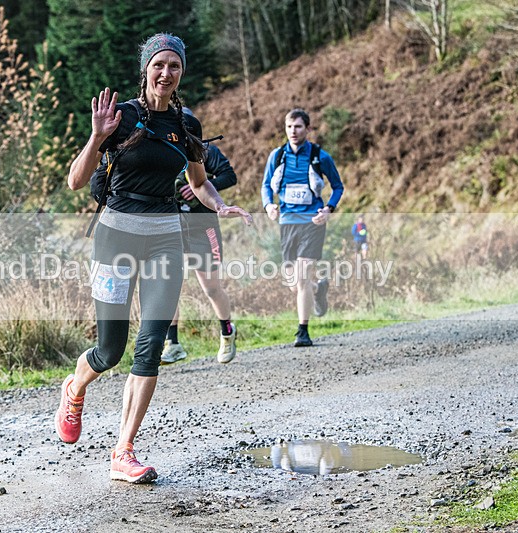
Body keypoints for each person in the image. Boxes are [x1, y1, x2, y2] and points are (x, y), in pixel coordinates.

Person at [58, 33, 252, 484]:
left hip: (166, 240)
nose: (166, 73)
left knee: (150, 348)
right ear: (145, 69)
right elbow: (75, 181)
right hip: (115, 240)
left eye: (174, 65)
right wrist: (97, 136)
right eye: (159, 65)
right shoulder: (120, 117)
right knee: (110, 350)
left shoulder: (187, 124)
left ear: (182, 71)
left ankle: (123, 451)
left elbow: (199, 181)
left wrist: (220, 205)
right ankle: (75, 386)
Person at [261, 108, 344, 347]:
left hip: (312, 222)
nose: (293, 131)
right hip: (287, 223)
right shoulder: (277, 156)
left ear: (308, 129)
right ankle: (318, 290)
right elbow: (266, 185)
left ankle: (303, 331)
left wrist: (328, 209)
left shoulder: (320, 156)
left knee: (303, 275)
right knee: (293, 284)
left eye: (298, 126)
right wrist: (269, 205)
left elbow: (338, 187)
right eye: (289, 127)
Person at [162, 111, 238, 365]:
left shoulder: (205, 150)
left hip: (203, 226)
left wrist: (199, 187)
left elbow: (229, 176)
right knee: (168, 284)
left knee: (211, 288)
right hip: (172, 225)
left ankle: (227, 331)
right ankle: (172, 343)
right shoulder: (161, 151)